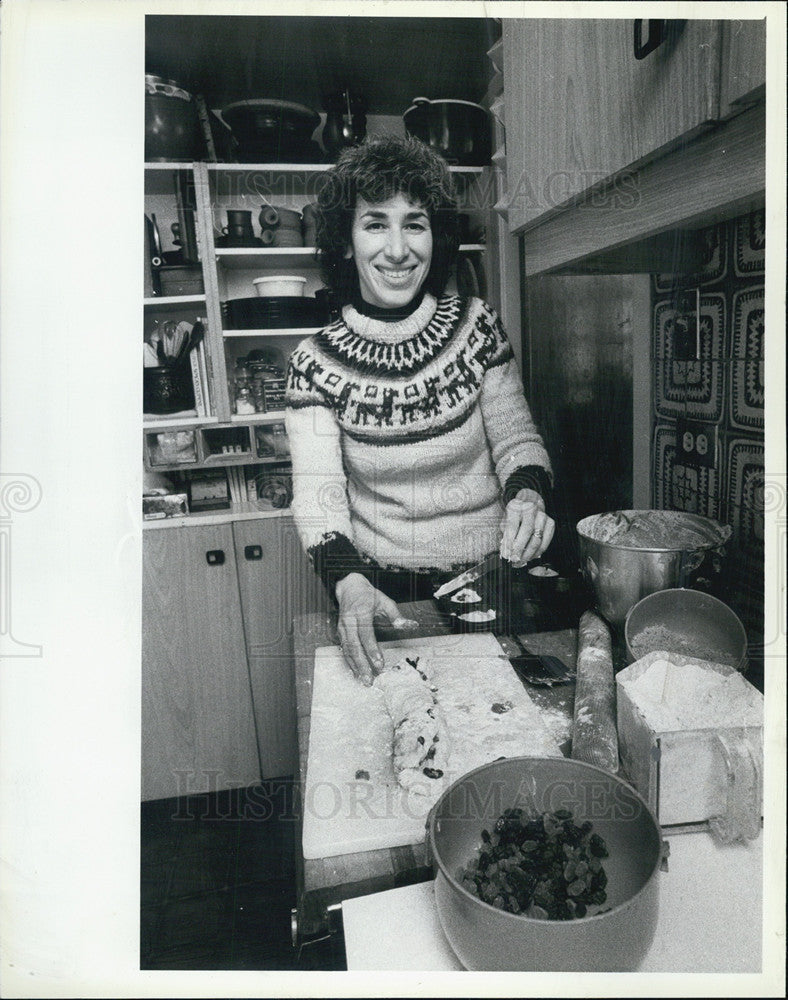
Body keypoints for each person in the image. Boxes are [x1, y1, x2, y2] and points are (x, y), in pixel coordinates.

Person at [285, 135, 554, 684]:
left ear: (435, 236)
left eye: (415, 223)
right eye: (375, 223)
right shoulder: (312, 364)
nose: (398, 249)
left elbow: (516, 438)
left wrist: (528, 491)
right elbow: (319, 494)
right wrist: (348, 581)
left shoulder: (478, 325)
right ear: (345, 242)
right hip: (384, 589)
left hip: (498, 573)